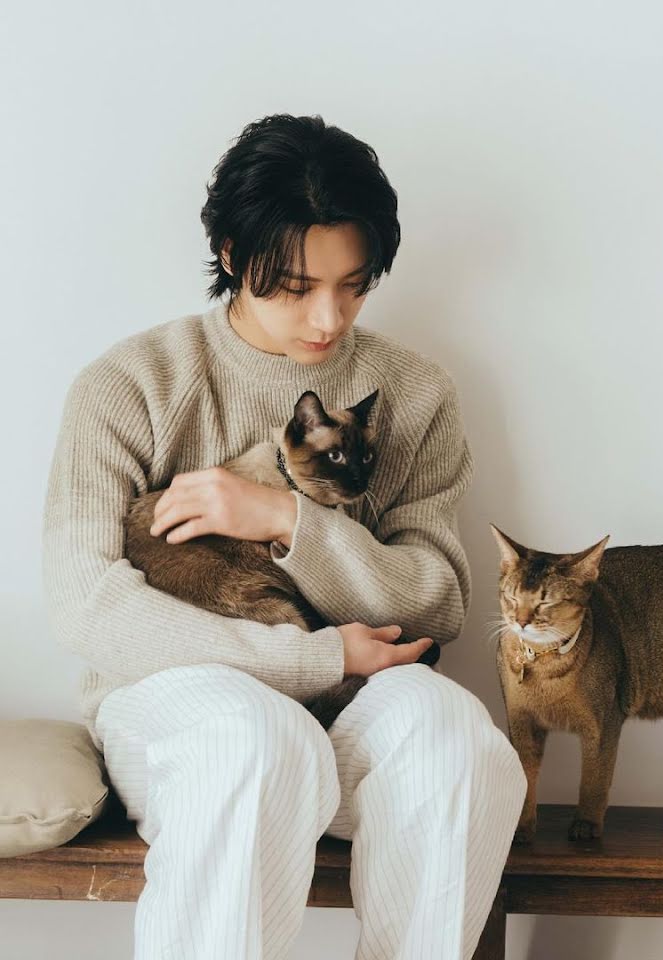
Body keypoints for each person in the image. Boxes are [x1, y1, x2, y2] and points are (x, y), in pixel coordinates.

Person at [41, 113, 526, 960]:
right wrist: (315, 658)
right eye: (295, 288)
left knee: (458, 741)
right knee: (255, 741)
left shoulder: (415, 393)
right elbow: (87, 606)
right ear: (231, 254)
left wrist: (288, 520)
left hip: (353, 708)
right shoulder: (129, 384)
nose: (327, 318)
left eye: (355, 285)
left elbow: (437, 599)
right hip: (181, 708)